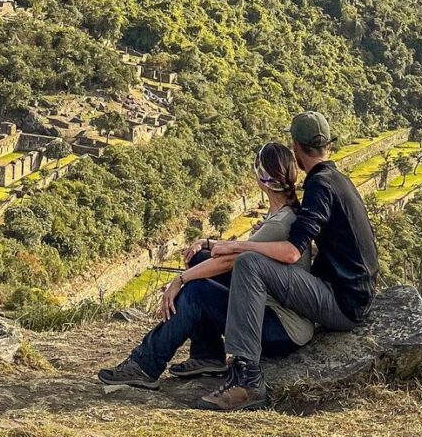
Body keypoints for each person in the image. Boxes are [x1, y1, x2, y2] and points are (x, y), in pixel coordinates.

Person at [197, 110, 379, 412]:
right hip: (351, 293)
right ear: (327, 146)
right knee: (252, 260)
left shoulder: (320, 186)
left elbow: (293, 252)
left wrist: (236, 245)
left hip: (343, 302)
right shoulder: (336, 178)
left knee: (249, 263)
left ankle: (248, 380)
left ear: (296, 148)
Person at [97, 143, 314, 392]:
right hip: (269, 308)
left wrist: (180, 280)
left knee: (196, 291)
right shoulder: (282, 213)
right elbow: (236, 254)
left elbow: (230, 261)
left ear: (261, 177)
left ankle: (145, 365)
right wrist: (208, 244)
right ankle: (207, 355)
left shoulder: (280, 223)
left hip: (281, 328)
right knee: (199, 258)